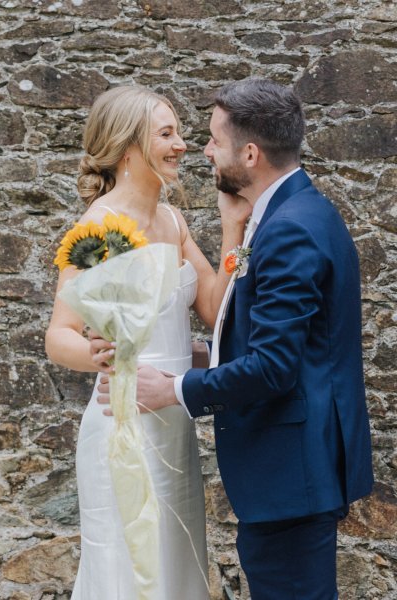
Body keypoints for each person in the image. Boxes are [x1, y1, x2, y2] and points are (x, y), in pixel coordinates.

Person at [95, 78, 374, 599]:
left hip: (291, 477)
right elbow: (291, 342)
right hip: (296, 473)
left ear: (249, 153)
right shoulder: (293, 213)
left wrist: (175, 388)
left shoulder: (289, 229)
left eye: (213, 141)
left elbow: (273, 368)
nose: (201, 149)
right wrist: (207, 353)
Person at [45, 84, 251, 600]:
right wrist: (100, 357)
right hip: (123, 426)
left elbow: (210, 306)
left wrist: (230, 233)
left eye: (180, 132)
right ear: (129, 149)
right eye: (167, 133)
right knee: (126, 567)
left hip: (173, 425)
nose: (182, 143)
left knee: (177, 566)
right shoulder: (98, 230)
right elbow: (59, 336)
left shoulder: (173, 220)